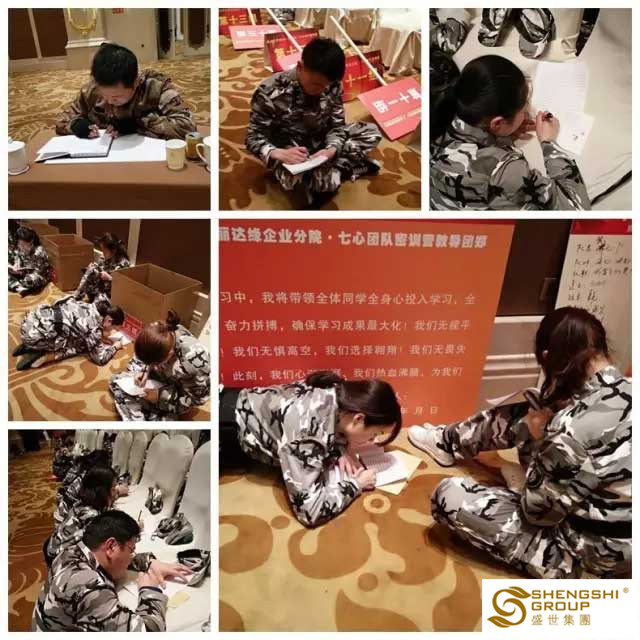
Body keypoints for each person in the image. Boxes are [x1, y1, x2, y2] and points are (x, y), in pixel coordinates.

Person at [409, 307, 631, 578]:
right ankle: (447, 440)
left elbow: (537, 514)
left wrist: (539, 438)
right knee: (532, 409)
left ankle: (579, 577)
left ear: (548, 357)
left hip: (595, 556)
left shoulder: (572, 427)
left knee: (449, 495)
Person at [221, 370, 402, 527]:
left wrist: (340, 451)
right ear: (358, 419)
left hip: (232, 400)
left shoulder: (335, 391)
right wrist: (357, 484)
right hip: (223, 434)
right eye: (374, 434)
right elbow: (310, 512)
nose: (372, 440)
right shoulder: (307, 434)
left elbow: (331, 424)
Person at [430, 55, 591, 210]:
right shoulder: (505, 168)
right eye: (524, 108)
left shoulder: (441, 115)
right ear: (497, 122)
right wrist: (549, 143)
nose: (528, 111)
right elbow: (576, 208)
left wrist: (503, 134)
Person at [246, 37, 382, 207]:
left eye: (326, 86)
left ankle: (332, 173)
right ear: (300, 67)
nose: (321, 90)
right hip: (290, 150)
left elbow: (337, 126)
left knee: (371, 132)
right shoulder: (269, 91)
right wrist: (278, 153)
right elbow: (253, 138)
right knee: (295, 178)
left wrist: (331, 150)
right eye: (316, 84)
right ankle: (344, 170)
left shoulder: (332, 84)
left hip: (321, 143)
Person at [33, 510, 191, 631]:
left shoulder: (71, 551)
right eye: (131, 550)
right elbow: (149, 631)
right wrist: (149, 590)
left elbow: (117, 561)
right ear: (111, 546)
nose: (132, 556)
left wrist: (150, 562)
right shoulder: (89, 587)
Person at [55, 43, 196, 140]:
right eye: (104, 95)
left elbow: (187, 127)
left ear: (136, 82)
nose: (109, 102)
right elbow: (61, 121)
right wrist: (77, 125)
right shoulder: (91, 90)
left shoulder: (157, 87)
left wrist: (138, 123)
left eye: (116, 97)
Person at [110, 310, 210, 420]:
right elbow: (148, 358)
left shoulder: (195, 363)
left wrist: (160, 397)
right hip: (163, 375)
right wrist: (145, 371)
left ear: (169, 355)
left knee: (160, 416)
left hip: (180, 390)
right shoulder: (159, 328)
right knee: (115, 380)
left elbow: (197, 399)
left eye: (154, 363)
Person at [13, 296, 125, 371]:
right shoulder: (93, 329)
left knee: (72, 332)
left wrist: (99, 338)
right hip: (34, 337)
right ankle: (42, 355)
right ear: (109, 320)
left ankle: (29, 346)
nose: (112, 331)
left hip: (29, 324)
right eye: (114, 328)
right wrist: (115, 347)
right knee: (80, 346)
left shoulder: (85, 305)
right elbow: (100, 359)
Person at [74, 233, 131, 302]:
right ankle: (77, 295)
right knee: (91, 270)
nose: (103, 253)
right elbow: (101, 268)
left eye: (104, 251)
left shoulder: (124, 264)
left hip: (112, 294)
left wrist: (109, 278)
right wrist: (94, 268)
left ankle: (87, 298)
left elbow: (123, 286)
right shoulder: (107, 258)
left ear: (113, 251)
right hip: (102, 288)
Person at [8, 226, 50, 297]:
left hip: (37, 275)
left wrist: (22, 273)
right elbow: (18, 257)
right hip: (23, 274)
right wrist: (16, 264)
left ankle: (17, 286)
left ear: (31, 242)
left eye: (23, 245)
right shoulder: (20, 248)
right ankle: (19, 287)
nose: (21, 247)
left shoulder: (39, 252)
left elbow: (39, 272)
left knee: (32, 280)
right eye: (19, 244)